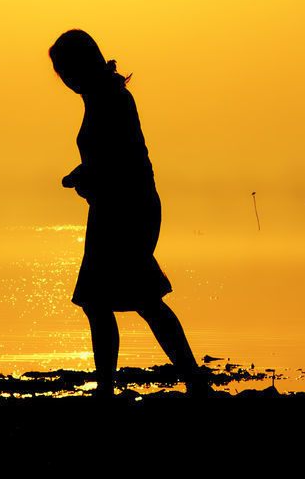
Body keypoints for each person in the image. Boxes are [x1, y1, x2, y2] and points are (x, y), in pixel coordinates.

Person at [49, 28, 212, 400]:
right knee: (107, 300)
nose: (65, 79)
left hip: (127, 209)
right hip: (111, 207)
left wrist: (84, 174)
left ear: (82, 64)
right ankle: (118, 385)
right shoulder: (100, 97)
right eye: (60, 72)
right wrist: (84, 173)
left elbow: (121, 160)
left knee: (138, 299)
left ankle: (183, 382)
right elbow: (107, 158)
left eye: (66, 69)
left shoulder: (111, 99)